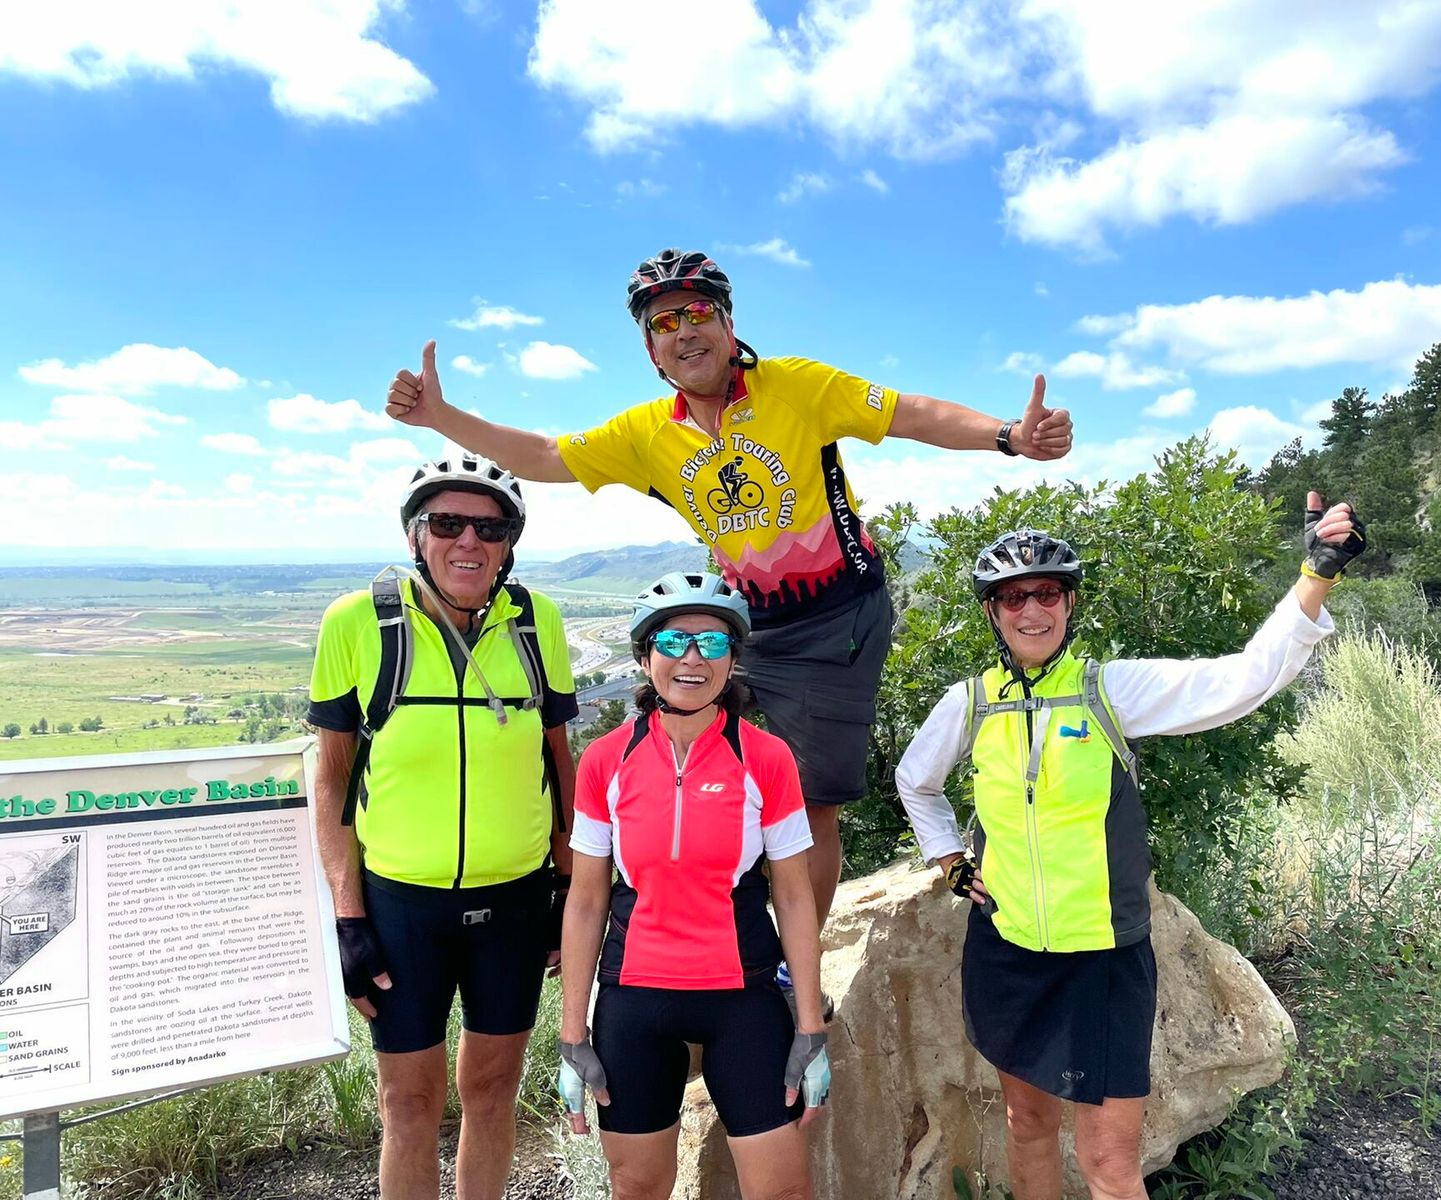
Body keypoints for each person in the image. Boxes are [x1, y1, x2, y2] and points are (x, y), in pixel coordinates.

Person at [384, 248, 1074, 938]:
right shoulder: (649, 432)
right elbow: (545, 455)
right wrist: (442, 416)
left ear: (728, 323)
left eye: (698, 313)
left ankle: (795, 961)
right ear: (651, 350)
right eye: (663, 323)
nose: (684, 331)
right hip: (744, 618)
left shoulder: (797, 387)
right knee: (685, 755)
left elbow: (909, 413)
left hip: (835, 618)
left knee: (811, 803)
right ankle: (700, 932)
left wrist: (1008, 437)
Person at [894, 494, 1366, 1200]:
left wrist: (1316, 574)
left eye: (1047, 593)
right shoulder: (972, 702)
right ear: (992, 611)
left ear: (1070, 602)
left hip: (1104, 958)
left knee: (1110, 1165)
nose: (1031, 610)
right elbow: (915, 780)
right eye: (1013, 596)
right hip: (1007, 949)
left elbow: (1242, 679)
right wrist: (951, 863)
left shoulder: (1107, 691)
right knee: (1027, 1125)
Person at [308, 455, 578, 1200]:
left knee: (493, 1092)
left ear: (509, 543)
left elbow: (559, 760)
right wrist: (348, 915)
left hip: (514, 901)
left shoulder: (537, 623)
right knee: (407, 1104)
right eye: (448, 523)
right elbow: (332, 776)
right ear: (415, 535)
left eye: (490, 528)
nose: (469, 541)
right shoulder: (358, 622)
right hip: (401, 907)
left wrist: (568, 886)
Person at [556, 571, 830, 1200]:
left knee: (782, 1191)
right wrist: (572, 1033)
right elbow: (587, 899)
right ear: (644, 655)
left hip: (743, 996)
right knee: (636, 1188)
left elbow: (793, 895)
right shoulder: (605, 760)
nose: (692, 658)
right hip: (634, 998)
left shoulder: (766, 757)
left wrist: (810, 1027)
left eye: (712, 643)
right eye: (673, 641)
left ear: (732, 661)